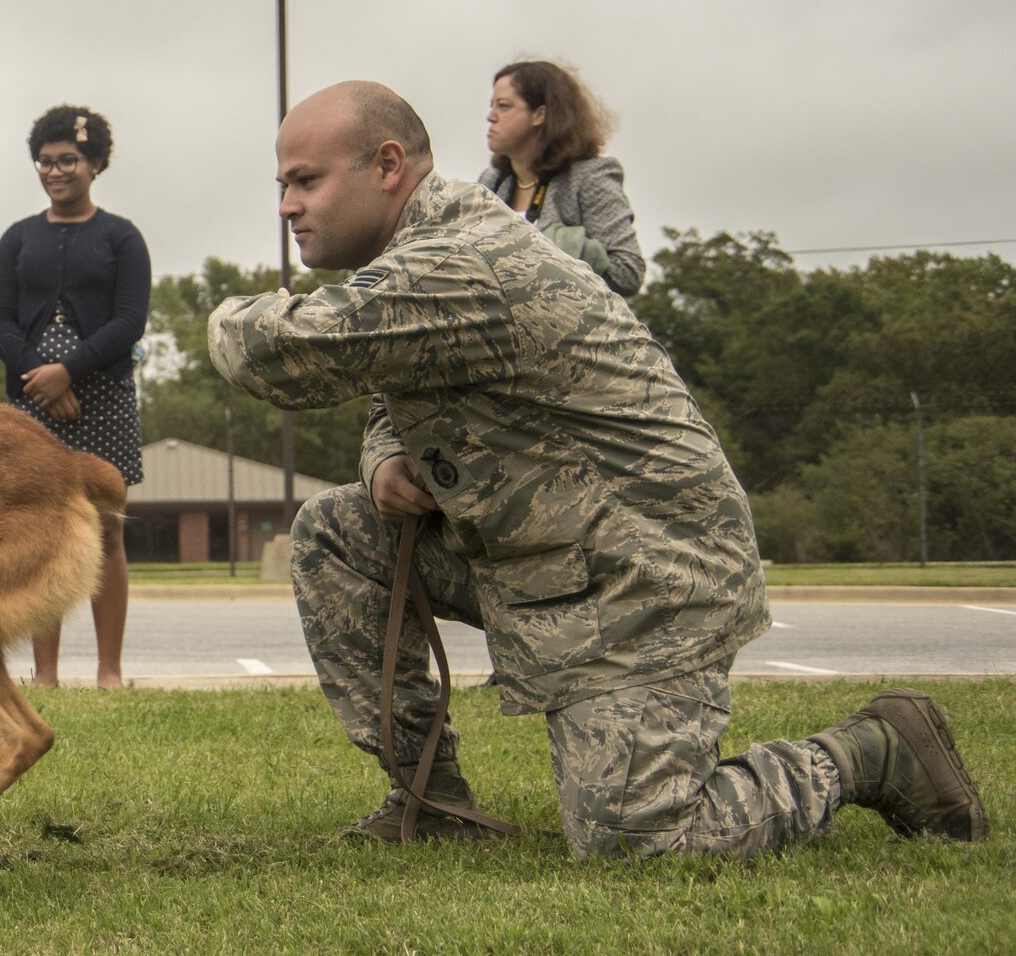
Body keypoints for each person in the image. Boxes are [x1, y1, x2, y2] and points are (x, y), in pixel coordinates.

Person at [208, 80, 986, 855]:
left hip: (646, 576)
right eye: (282, 185)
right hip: (545, 558)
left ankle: (873, 751)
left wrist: (220, 317)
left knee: (640, 840)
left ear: (385, 165)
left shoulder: (462, 259)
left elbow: (279, 353)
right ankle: (429, 802)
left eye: (305, 181)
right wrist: (384, 457)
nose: (287, 205)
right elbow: (404, 382)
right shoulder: (429, 255)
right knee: (337, 532)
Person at [0, 105, 148, 689]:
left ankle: (109, 670)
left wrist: (70, 373)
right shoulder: (18, 238)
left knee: (107, 531)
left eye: (68, 161)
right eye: (46, 161)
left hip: (102, 396)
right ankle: (45, 673)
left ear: (95, 164)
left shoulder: (121, 237)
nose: (55, 172)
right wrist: (39, 377)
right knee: (40, 533)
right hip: (30, 402)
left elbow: (130, 320)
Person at [478, 60, 645, 296]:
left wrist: (555, 246)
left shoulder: (589, 177)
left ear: (539, 115)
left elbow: (628, 271)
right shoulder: (491, 182)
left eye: (503, 106)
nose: (491, 116)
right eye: (491, 105)